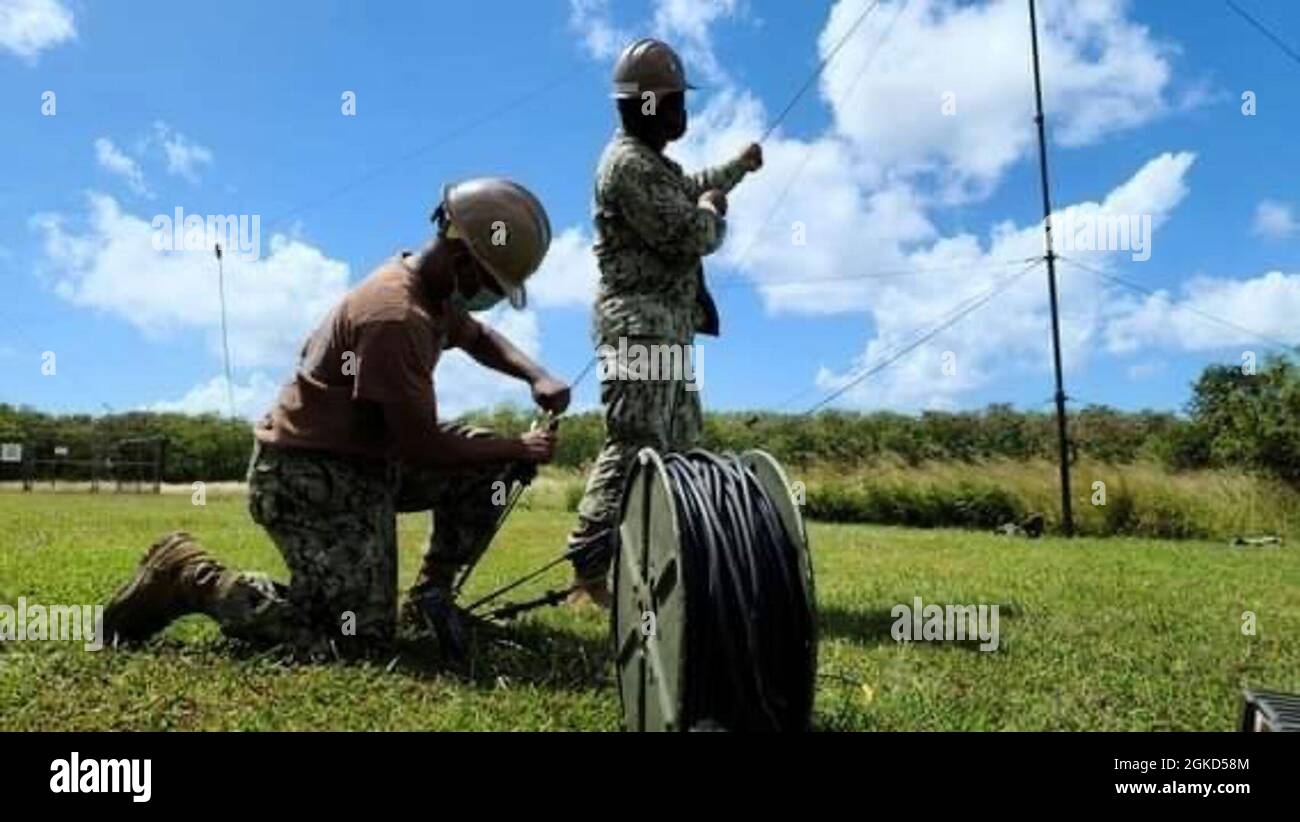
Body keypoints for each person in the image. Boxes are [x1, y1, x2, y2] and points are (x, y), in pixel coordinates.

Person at [102, 178, 570, 657]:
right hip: (308, 478)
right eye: (487, 289)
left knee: (491, 463)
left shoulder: (437, 291)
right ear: (460, 256)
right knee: (353, 639)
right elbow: (422, 446)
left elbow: (477, 338)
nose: (481, 301)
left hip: (366, 461)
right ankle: (191, 578)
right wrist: (518, 445)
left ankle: (431, 596)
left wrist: (537, 376)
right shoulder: (395, 316)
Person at [566, 38, 763, 606]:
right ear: (647, 105)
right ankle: (586, 574)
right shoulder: (627, 164)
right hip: (639, 326)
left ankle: (663, 566)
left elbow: (695, 183)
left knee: (678, 447)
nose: (683, 113)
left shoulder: (651, 164)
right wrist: (710, 212)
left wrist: (739, 169)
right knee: (635, 444)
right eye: (674, 101)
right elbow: (688, 233)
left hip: (665, 329)